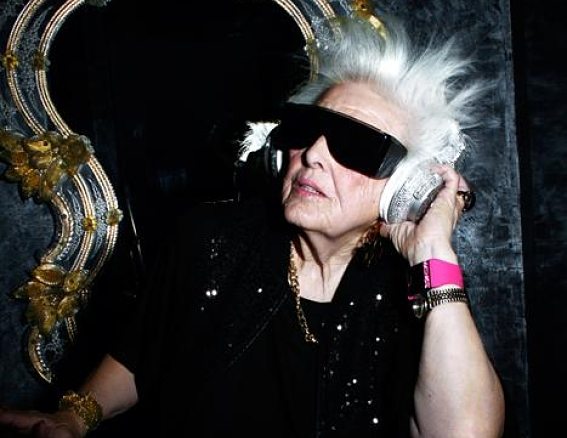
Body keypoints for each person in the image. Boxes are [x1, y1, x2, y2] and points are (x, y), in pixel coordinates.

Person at [0, 13, 505, 438]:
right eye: (307, 129)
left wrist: (433, 252)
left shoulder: (416, 293)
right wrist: (74, 418)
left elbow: (465, 432)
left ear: (403, 187)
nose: (313, 155)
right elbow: (142, 354)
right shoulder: (209, 238)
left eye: (355, 144)